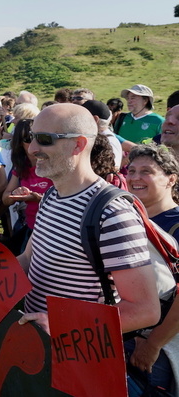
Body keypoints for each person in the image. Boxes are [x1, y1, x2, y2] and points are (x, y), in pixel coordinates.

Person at [16, 103, 159, 337]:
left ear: (78, 144)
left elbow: (144, 310)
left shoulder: (112, 213)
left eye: (43, 139)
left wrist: (64, 325)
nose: (31, 148)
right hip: (38, 353)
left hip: (78, 360)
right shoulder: (52, 195)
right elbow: (29, 258)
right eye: (32, 137)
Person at [125, 143, 179, 393]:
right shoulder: (125, 217)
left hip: (161, 345)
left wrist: (153, 344)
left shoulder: (176, 225)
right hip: (121, 335)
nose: (135, 178)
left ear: (171, 179)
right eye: (131, 170)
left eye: (146, 171)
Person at [1, 119, 52, 248]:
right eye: (28, 139)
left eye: (38, 137)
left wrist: (37, 198)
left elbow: (64, 200)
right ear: (19, 143)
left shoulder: (53, 164)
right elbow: (6, 199)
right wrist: (15, 194)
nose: (34, 144)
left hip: (52, 230)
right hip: (31, 227)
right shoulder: (20, 167)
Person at [116, 85, 165, 152]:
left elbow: (163, 147)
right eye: (128, 98)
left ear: (145, 100)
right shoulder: (122, 117)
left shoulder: (159, 121)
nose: (129, 101)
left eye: (133, 98)